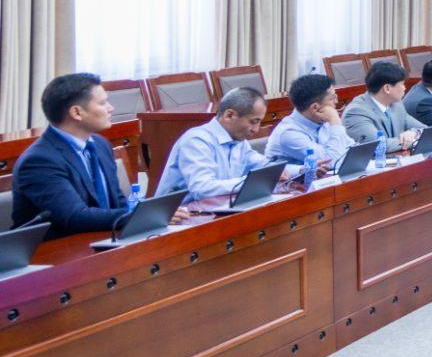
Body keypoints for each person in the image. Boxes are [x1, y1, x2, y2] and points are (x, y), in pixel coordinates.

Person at [10, 73, 131, 237]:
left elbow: (117, 201)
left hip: (104, 238)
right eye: (103, 103)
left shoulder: (100, 144)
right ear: (76, 113)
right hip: (56, 249)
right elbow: (74, 217)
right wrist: (135, 215)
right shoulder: (39, 161)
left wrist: (137, 216)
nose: (111, 108)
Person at [154, 87, 281, 203]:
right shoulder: (196, 140)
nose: (256, 129)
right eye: (253, 122)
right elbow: (203, 189)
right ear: (229, 115)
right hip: (180, 215)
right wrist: (253, 182)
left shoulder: (239, 141)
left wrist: (287, 171)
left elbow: (263, 164)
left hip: (214, 207)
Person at [265, 74, 353, 169]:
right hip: (296, 179)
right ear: (315, 107)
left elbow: (352, 149)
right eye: (332, 98)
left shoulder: (322, 120)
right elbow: (333, 163)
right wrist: (335, 123)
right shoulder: (289, 133)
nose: (336, 102)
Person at [343, 62, 426, 153]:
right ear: (387, 88)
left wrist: (414, 133)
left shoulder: (396, 104)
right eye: (402, 84)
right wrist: (413, 140)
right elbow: (378, 145)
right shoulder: (356, 112)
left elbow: (425, 129)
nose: (404, 88)